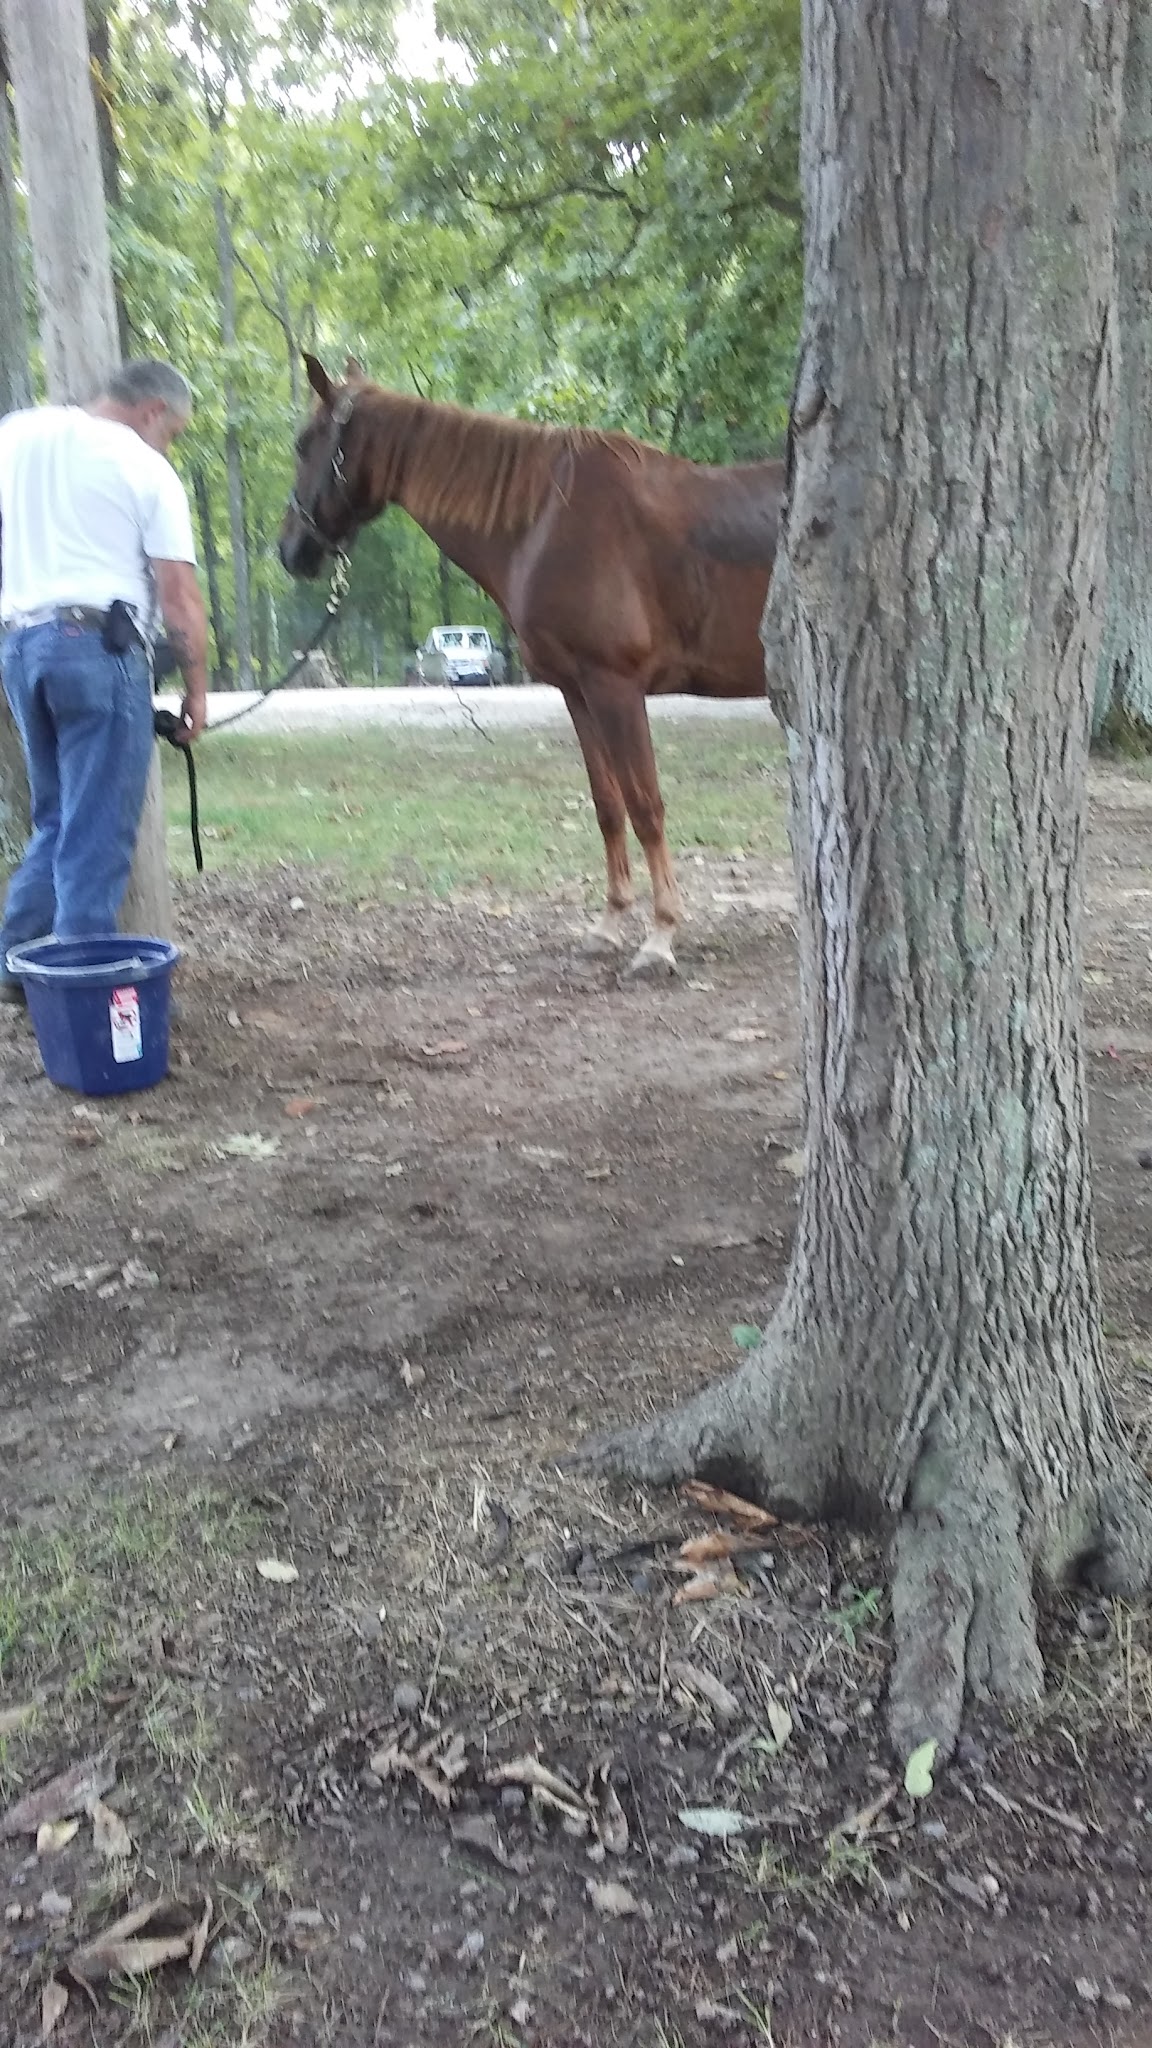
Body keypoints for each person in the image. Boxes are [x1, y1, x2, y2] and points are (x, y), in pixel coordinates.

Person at [0, 358, 209, 1004]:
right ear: (152, 411)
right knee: (97, 830)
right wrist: (196, 686)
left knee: (59, 818)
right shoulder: (145, 466)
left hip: (21, 646)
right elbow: (177, 595)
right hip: (99, 649)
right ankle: (81, 994)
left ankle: (13, 966)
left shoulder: (16, 435)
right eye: (172, 430)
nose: (168, 442)